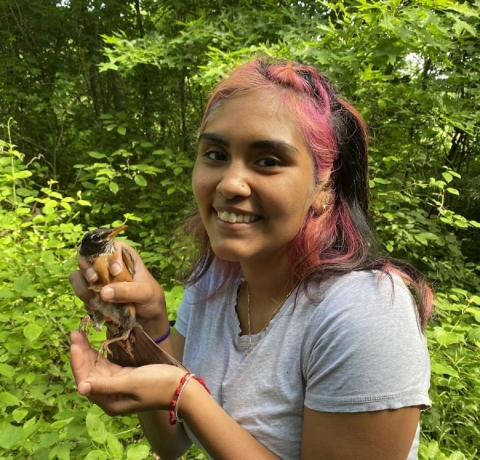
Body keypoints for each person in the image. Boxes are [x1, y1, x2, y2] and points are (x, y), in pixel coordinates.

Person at [69, 56, 432, 460]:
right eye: (215, 155)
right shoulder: (214, 280)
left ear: (324, 186)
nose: (229, 183)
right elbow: (171, 442)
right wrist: (147, 320)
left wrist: (186, 396)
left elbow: (182, 401)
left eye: (268, 161)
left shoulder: (366, 312)